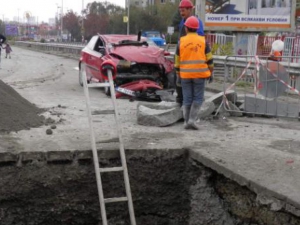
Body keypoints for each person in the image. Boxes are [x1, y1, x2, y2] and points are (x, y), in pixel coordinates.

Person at [175, 16, 214, 130]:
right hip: (199, 75)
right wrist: (210, 72)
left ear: (186, 28)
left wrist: (178, 74)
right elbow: (210, 60)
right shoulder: (203, 41)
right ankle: (192, 120)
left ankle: (186, 122)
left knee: (187, 99)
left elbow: (177, 61)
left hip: (185, 75)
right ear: (197, 29)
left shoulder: (181, 42)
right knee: (198, 98)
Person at [175, 0, 205, 106]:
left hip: (193, 58)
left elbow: (200, 41)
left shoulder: (197, 22)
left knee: (192, 86)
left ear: (190, 10)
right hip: (184, 58)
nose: (181, 13)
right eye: (180, 11)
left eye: (183, 11)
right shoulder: (182, 22)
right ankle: (181, 101)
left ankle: (191, 107)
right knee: (179, 81)